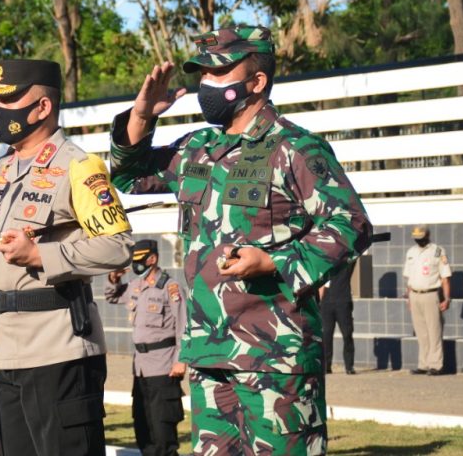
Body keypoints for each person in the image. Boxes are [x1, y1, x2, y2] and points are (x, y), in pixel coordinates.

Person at [109, 24, 372, 455]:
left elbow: (350, 223)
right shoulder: (198, 148)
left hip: (275, 358)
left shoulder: (295, 147)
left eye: (220, 73)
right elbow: (129, 175)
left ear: (257, 81)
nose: (206, 84)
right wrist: (142, 117)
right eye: (203, 75)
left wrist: (274, 263)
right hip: (210, 354)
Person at [0, 58, 134, 455]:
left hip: (58, 347)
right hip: (4, 350)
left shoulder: (78, 165)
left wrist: (41, 254)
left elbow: (118, 246)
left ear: (42, 108)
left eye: (10, 100)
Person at [104, 239, 186, 456]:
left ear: (152, 259)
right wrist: (113, 279)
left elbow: (183, 326)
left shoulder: (170, 288)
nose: (135, 266)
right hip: (139, 368)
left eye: (139, 261)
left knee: (162, 432)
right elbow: (111, 297)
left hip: (163, 366)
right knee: (143, 428)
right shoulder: (135, 286)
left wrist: (181, 360)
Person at [403, 225, 451, 375]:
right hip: (414, 294)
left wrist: (447, 298)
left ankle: (436, 365)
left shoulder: (437, 251)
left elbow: (445, 278)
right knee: (421, 332)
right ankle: (423, 364)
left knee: (434, 331)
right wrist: (409, 297)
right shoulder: (411, 252)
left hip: (431, 294)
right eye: (417, 239)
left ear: (428, 236)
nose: (419, 241)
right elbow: (409, 277)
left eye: (422, 238)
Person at [319, 259, 357, 375]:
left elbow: (355, 256)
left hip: (343, 301)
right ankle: (326, 366)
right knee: (326, 335)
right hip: (326, 303)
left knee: (347, 334)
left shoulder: (346, 265)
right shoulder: (325, 265)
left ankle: (349, 366)